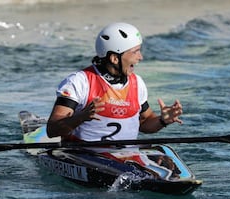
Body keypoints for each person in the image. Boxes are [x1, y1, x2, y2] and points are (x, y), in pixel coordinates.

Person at [47, 22, 183, 142]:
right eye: (135, 52)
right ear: (114, 58)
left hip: (125, 158)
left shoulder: (137, 83)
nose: (140, 57)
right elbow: (52, 130)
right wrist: (82, 116)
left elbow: (145, 122)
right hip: (84, 155)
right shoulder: (79, 82)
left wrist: (163, 120)